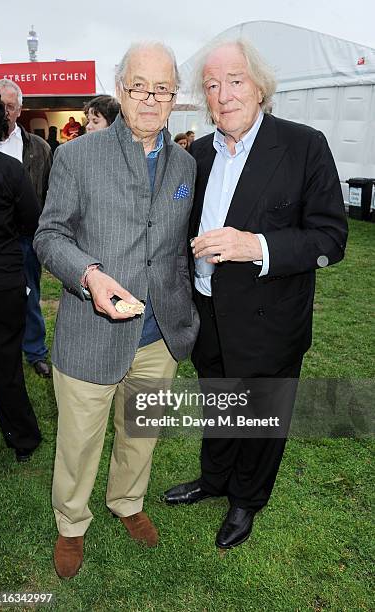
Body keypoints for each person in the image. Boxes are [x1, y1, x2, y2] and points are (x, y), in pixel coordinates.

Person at [163, 38, 348, 549]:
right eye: (212, 85)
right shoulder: (198, 152)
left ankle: (247, 498)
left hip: (271, 321)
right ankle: (215, 479)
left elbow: (331, 238)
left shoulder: (303, 143)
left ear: (261, 85)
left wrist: (256, 245)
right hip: (209, 313)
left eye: (235, 81)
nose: (223, 95)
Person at [34, 41, 199, 578]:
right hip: (90, 332)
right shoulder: (77, 155)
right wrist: (88, 274)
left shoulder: (185, 164)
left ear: (175, 96)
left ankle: (127, 503)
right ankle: (70, 522)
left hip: (157, 338)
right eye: (139, 87)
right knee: (78, 443)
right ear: (119, 87)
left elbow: (171, 245)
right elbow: (49, 234)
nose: (150, 98)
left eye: (162, 89)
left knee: (141, 434)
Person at [0, 84, 42, 462]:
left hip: (1, 276)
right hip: (3, 281)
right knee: (5, 365)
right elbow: (32, 221)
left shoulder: (9, 167)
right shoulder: (8, 169)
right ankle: (23, 439)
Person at [0, 79, 53, 378]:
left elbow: (50, 191)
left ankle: (35, 350)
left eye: (11, 107)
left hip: (27, 236)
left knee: (30, 294)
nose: (5, 112)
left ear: (21, 110)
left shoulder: (39, 148)